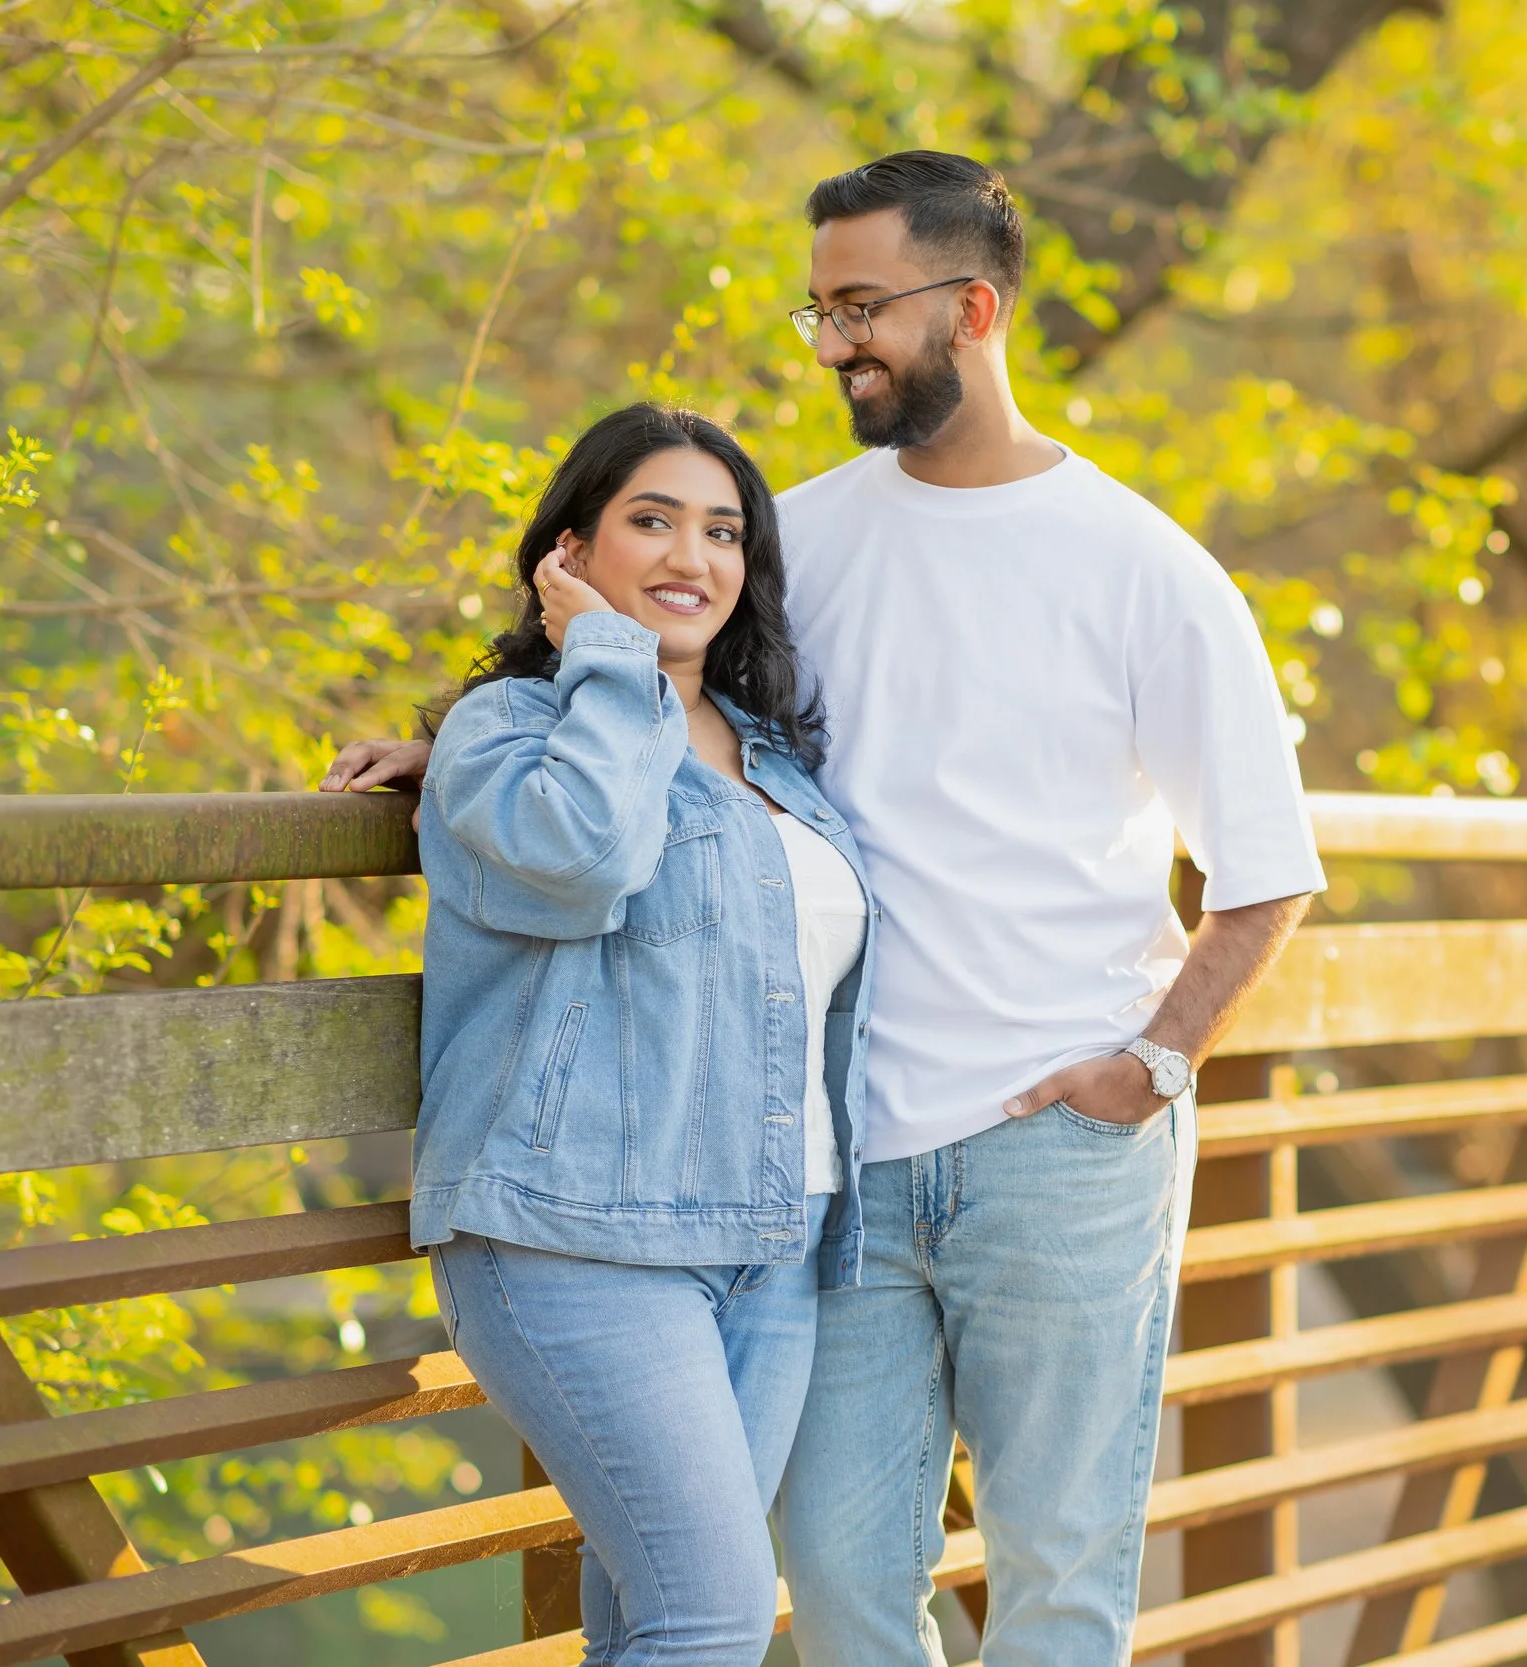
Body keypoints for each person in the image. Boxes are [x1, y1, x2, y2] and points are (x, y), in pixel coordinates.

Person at [324, 151, 1323, 1665]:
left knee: (1055, 1580)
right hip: (831, 1176)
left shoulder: (1147, 569)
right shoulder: (797, 535)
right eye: (820, 311)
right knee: (844, 1591)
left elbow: (1268, 872)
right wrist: (460, 735)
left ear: (973, 307)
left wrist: (1153, 1066)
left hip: (1060, 1146)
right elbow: (659, 698)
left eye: (862, 307)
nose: (834, 342)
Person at [408, 403, 873, 1667]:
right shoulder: (510, 728)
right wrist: (605, 661)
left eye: (723, 530)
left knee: (651, 1618)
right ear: (569, 552)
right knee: (710, 1613)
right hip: (573, 1234)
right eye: (651, 520)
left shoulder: (775, 754)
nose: (692, 556)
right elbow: (580, 860)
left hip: (773, 1236)